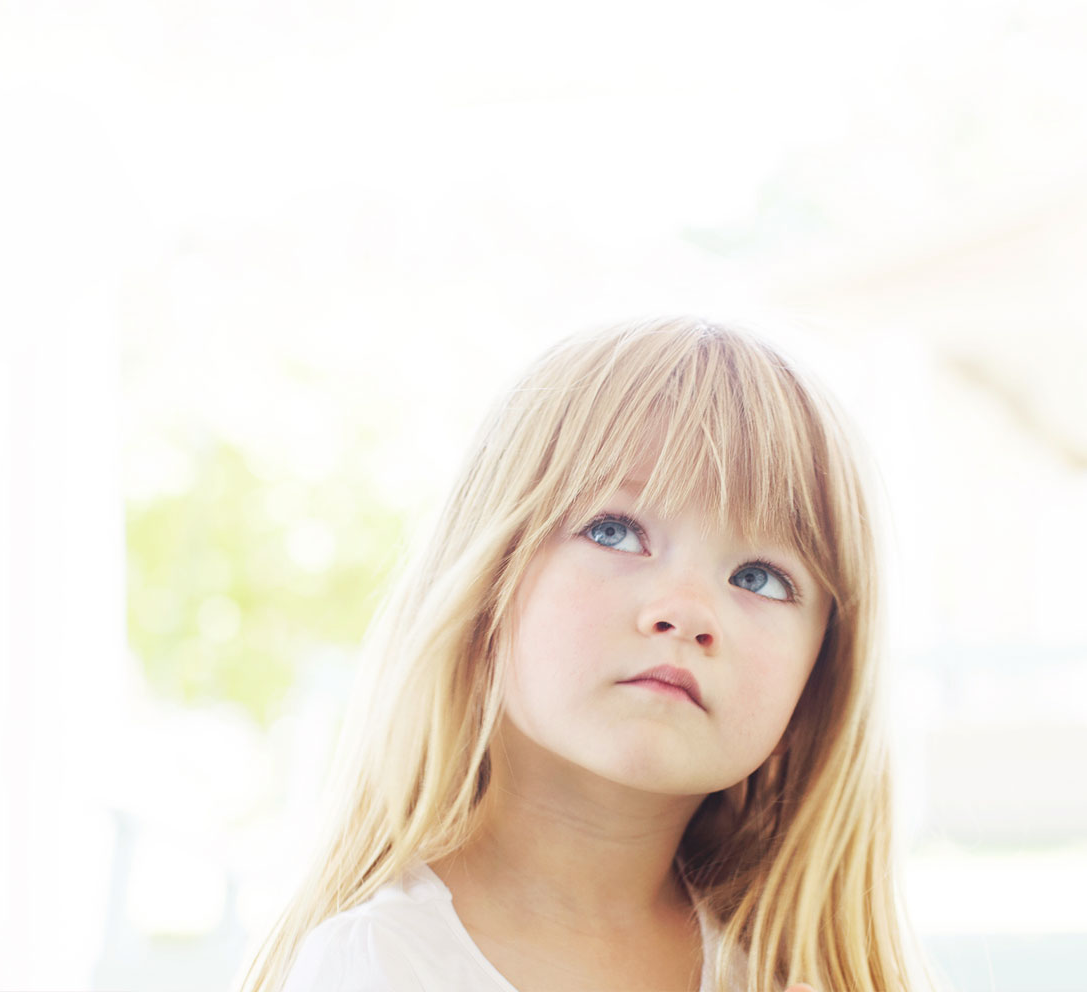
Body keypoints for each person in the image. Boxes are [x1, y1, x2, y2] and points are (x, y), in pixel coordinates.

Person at [233, 317, 949, 991]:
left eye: (758, 578)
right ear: (487, 579)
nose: (687, 610)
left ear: (819, 680)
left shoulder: (777, 972)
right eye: (615, 531)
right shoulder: (380, 964)